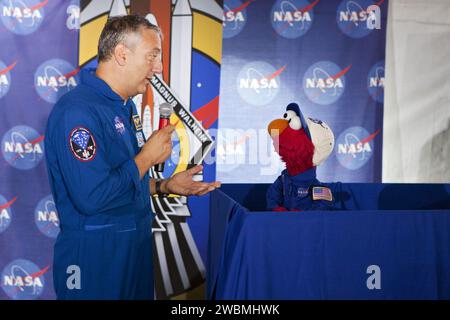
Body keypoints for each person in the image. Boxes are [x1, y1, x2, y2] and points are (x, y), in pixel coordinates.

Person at [44, 15, 221, 300]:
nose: (158, 67)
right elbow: (92, 197)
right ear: (121, 55)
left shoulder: (124, 107)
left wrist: (164, 186)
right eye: (152, 56)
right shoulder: (77, 112)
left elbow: (121, 183)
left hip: (133, 253)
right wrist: (146, 159)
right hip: (96, 261)